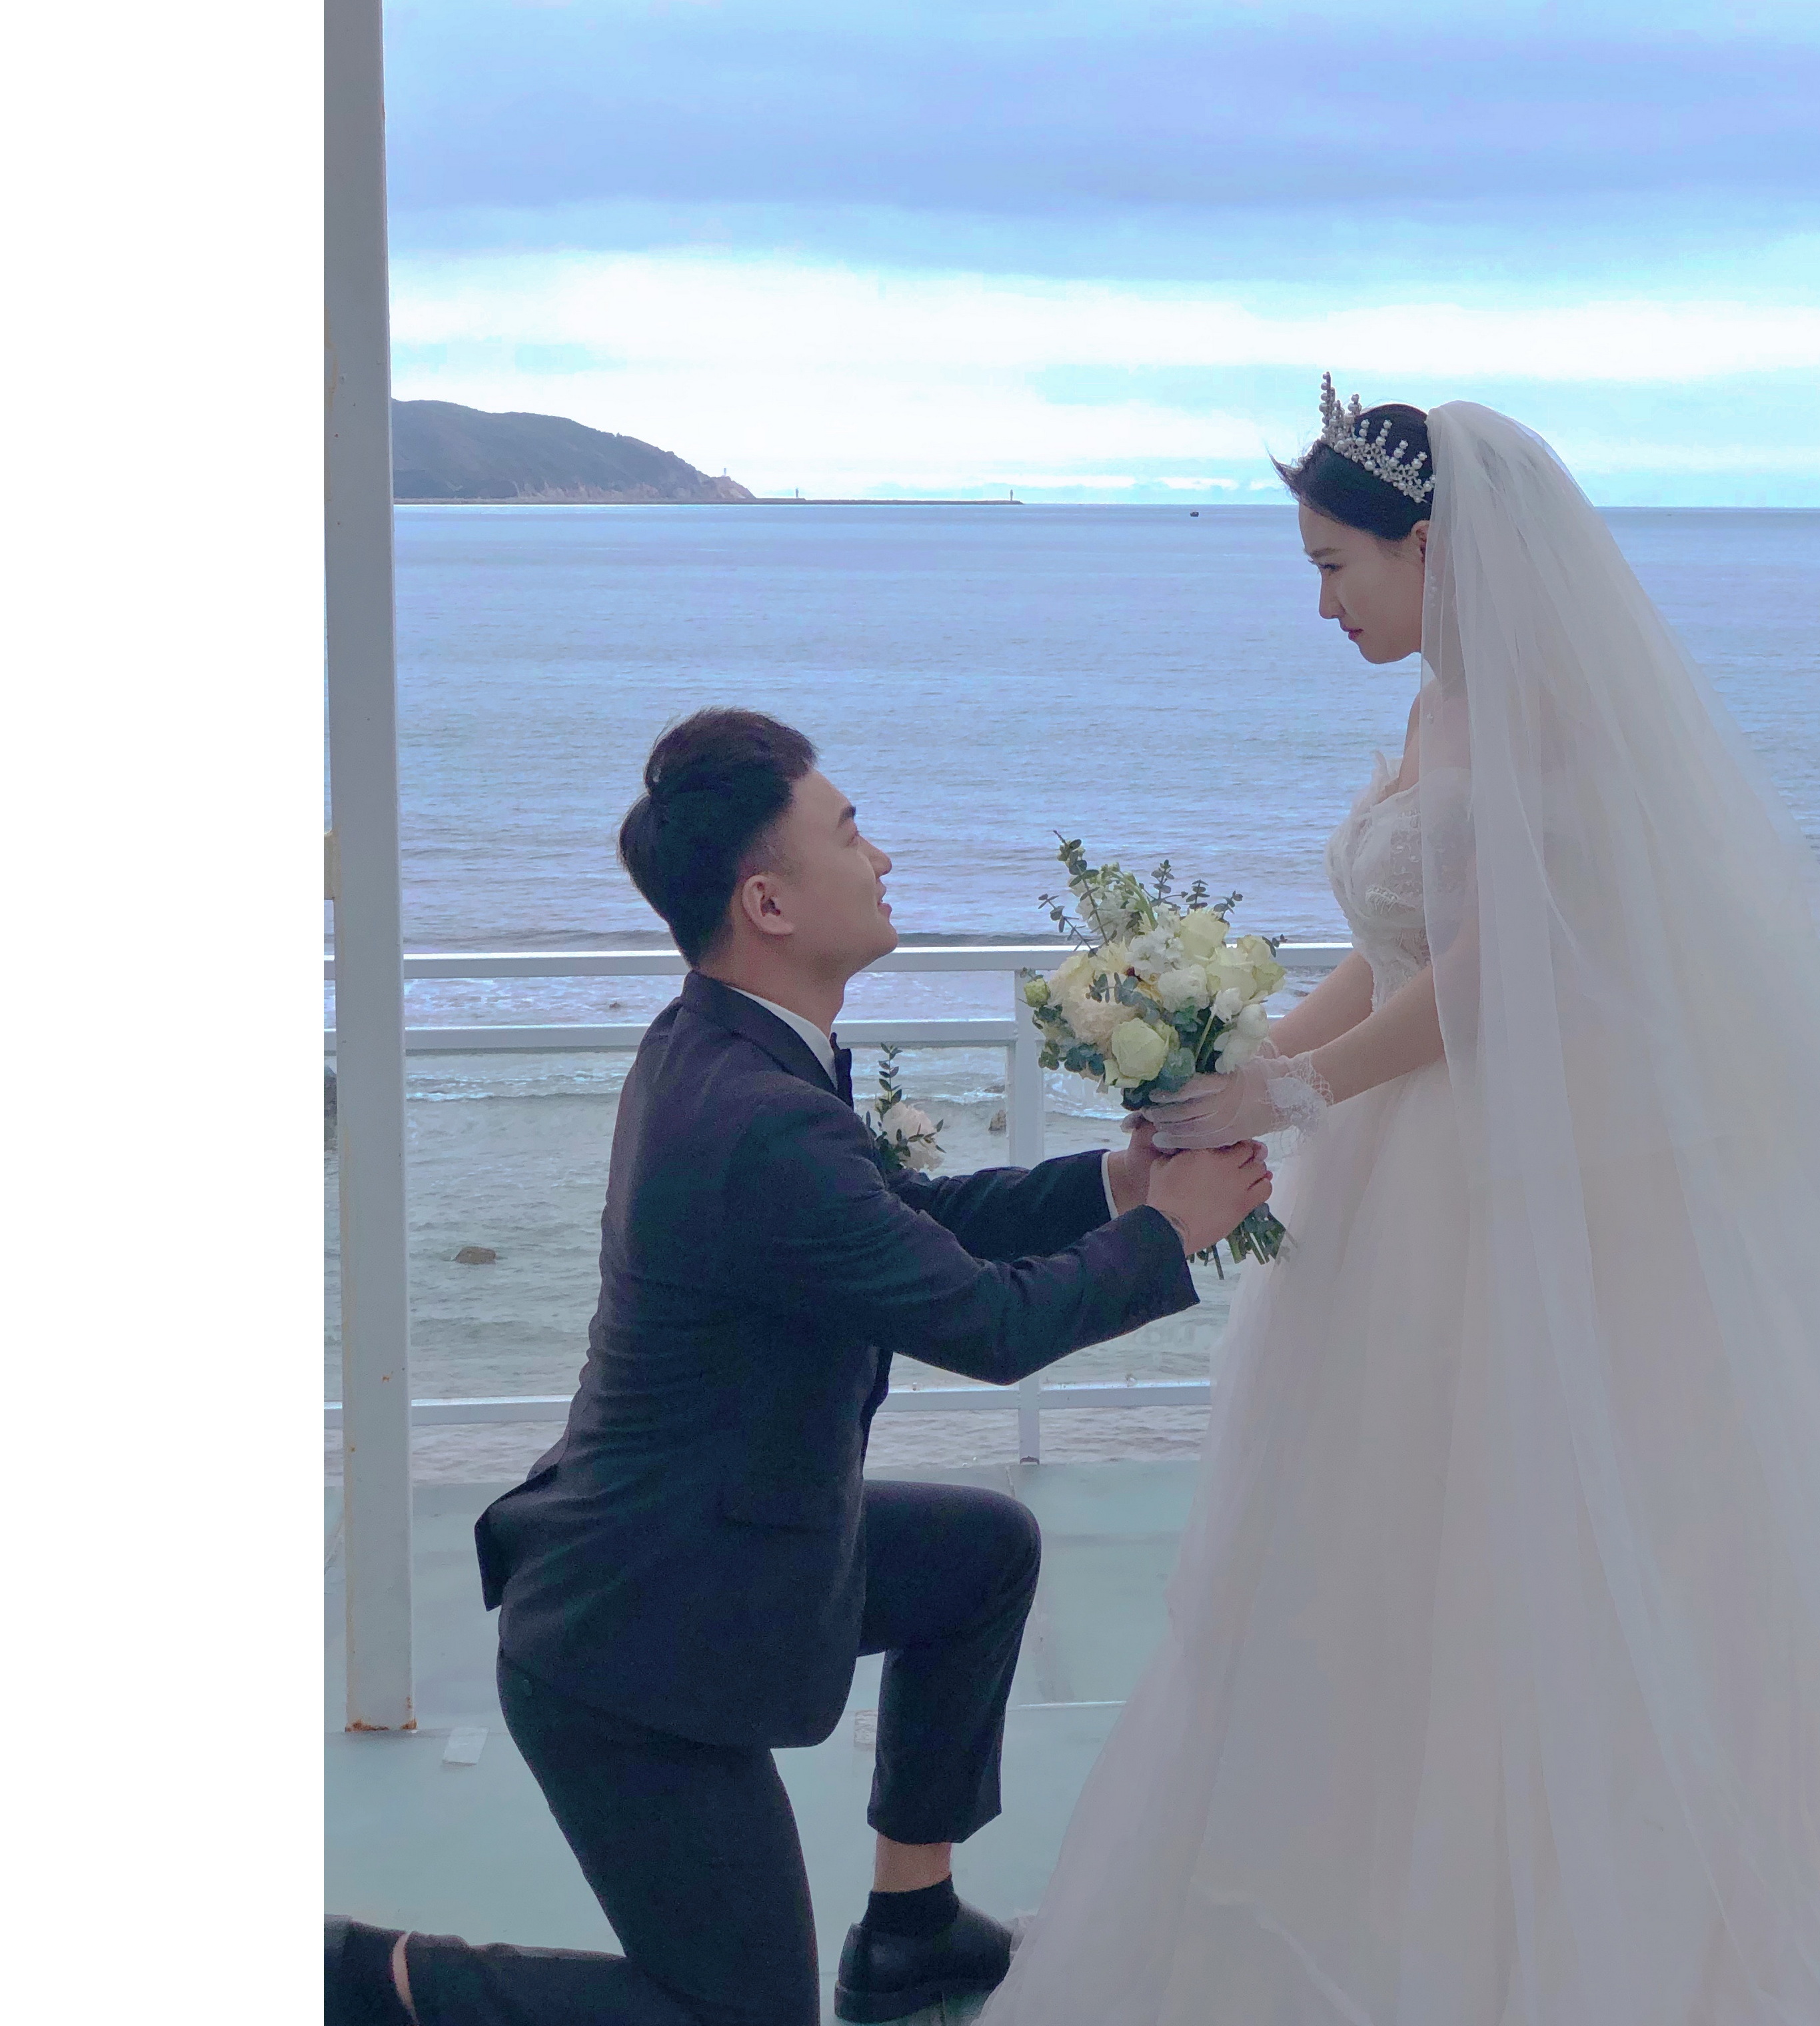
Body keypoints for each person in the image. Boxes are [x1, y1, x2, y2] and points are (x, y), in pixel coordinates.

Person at [980, 387, 1820, 2026]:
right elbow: (1390, 952)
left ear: (1428, 546)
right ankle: (1365, 1885)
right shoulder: (1439, 706)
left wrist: (1296, 1097)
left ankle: (1573, 1908)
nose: (1322, 605)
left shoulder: (1552, 721)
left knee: (1544, 1537)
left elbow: (1502, 973)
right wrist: (1246, 1066)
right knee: (1377, 1538)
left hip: (1520, 1191)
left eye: (1334, 567)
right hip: (1400, 1181)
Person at [327, 708, 1274, 2026]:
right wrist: (1170, 1235)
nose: (882, 859)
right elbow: (989, 1328)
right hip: (636, 1642)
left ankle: (912, 1931)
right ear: (768, 902)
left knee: (980, 1557)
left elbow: (905, 1225)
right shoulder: (754, 1116)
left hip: (717, 1540)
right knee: (741, 2017)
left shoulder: (731, 1047)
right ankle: (356, 1977)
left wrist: (1113, 1187)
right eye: (850, 833)